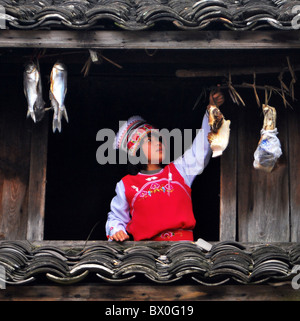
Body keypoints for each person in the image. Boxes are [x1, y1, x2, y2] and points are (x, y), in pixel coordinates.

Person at [105, 89, 224, 242]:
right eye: (149, 140)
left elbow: (201, 148)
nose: (158, 142)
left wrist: (211, 110)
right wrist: (117, 231)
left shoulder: (180, 170)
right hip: (146, 254)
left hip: (184, 251)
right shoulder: (126, 185)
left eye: (159, 138)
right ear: (136, 152)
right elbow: (115, 217)